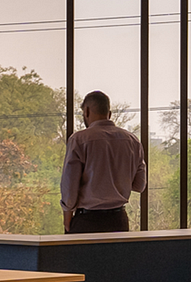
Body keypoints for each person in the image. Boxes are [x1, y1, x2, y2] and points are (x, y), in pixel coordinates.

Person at [60, 91, 147, 233]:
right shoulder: (132, 141)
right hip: (118, 221)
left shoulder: (79, 140)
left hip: (87, 221)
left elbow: (70, 185)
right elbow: (139, 185)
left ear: (86, 111)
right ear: (110, 114)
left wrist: (67, 214)